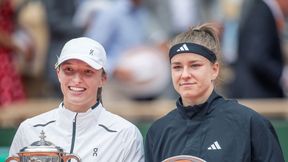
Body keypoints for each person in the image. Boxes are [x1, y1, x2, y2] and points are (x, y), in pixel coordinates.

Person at [144, 23, 285, 162]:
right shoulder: (158, 132)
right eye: (177, 67)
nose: (185, 74)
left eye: (195, 65)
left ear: (214, 69)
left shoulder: (249, 123)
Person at [8, 37, 144, 162]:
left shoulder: (126, 134)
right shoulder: (29, 129)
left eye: (88, 72)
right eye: (69, 69)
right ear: (58, 73)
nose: (77, 80)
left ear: (102, 79)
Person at [228, 0, 288, 98]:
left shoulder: (262, 11)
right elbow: (257, 57)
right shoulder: (262, 14)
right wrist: (283, 75)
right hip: (255, 96)